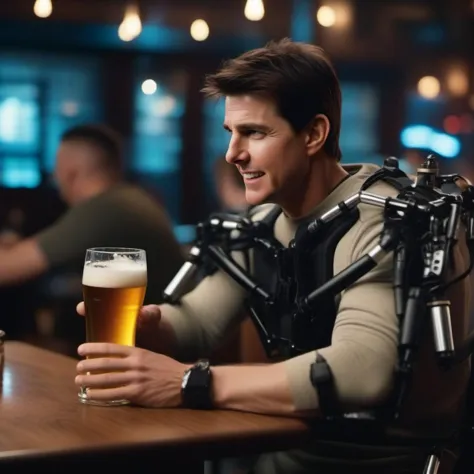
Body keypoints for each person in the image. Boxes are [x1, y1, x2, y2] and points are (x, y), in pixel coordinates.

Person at [75, 40, 470, 474]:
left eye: (255, 133)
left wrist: (191, 382)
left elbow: (364, 370)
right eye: (231, 133)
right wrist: (149, 325)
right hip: (284, 450)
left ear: (314, 134)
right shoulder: (263, 221)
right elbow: (199, 321)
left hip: (383, 463)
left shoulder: (382, 220)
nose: (233, 154)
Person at [0, 124, 184, 339]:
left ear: (70, 172)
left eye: (56, 170)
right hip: (156, 338)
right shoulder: (129, 198)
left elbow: (6, 269)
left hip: (145, 346)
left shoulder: (105, 210)